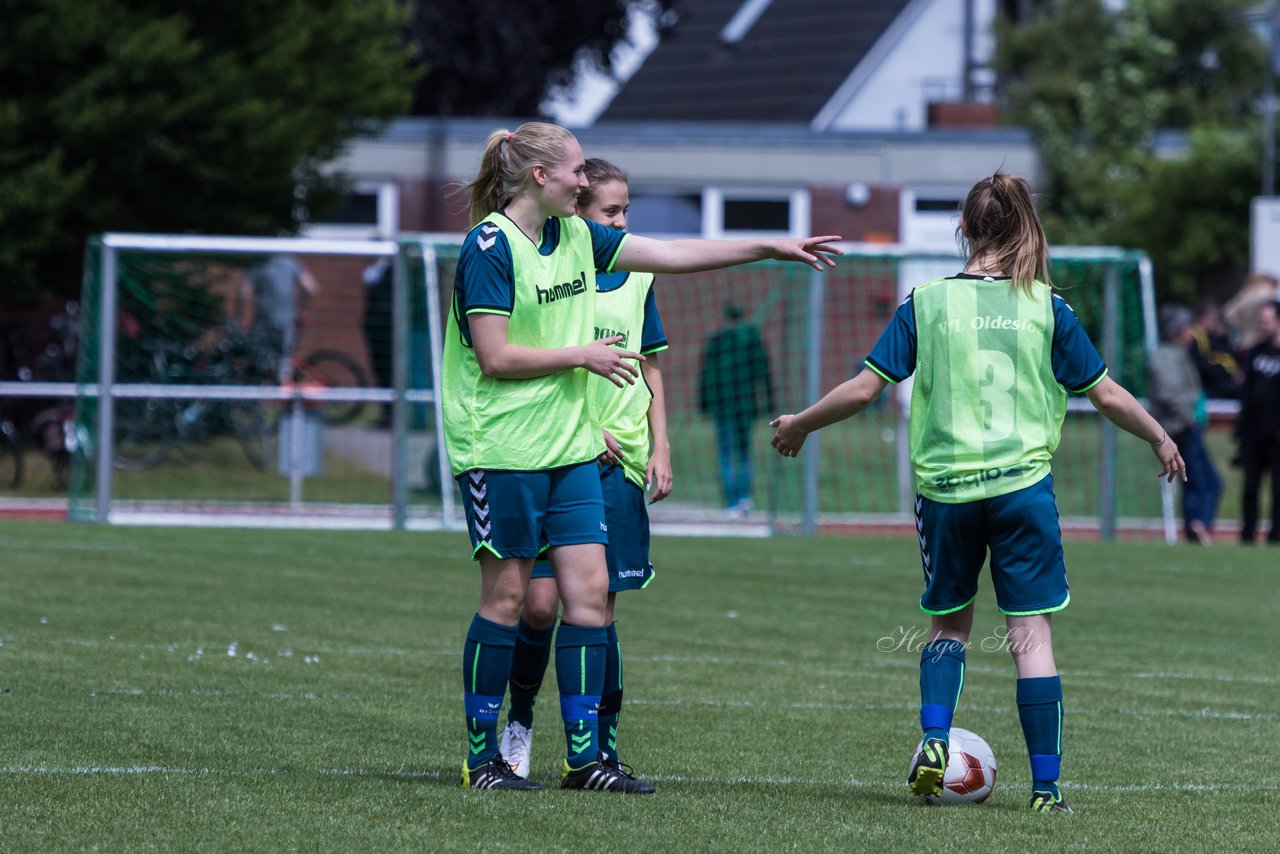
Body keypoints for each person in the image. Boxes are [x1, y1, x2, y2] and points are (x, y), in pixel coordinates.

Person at [768, 172, 1185, 814]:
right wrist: (1158, 435)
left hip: (946, 491)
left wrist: (798, 423)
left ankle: (936, 738)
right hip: (1022, 489)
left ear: (963, 228)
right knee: (1031, 636)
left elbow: (861, 390)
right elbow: (1104, 393)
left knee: (949, 626)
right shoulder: (1046, 305)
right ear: (1023, 229)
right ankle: (1046, 791)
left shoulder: (928, 301)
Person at [445, 121, 840, 791]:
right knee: (510, 597)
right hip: (502, 449)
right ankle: (483, 760)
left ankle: (584, 760)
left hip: (568, 449)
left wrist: (769, 246)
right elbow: (495, 355)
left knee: (591, 595)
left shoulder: (576, 235)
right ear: (540, 176)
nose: (583, 180)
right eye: (574, 171)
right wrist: (582, 355)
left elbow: (675, 252)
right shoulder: (489, 245)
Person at [498, 158, 671, 792]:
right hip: (556, 455)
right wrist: (578, 429)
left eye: (627, 211)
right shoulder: (553, 277)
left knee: (596, 607)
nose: (623, 223)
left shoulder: (637, 277)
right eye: (611, 212)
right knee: (539, 606)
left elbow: (651, 366)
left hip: (618, 465)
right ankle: (518, 722)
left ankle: (599, 748)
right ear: (577, 212)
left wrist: (661, 445)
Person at [1149, 304, 1222, 544]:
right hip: (1181, 429)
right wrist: (1188, 419)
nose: (1192, 332)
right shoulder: (1164, 357)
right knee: (1200, 481)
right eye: (1188, 327)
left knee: (1204, 481)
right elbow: (1169, 393)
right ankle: (1197, 525)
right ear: (1178, 330)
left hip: (1189, 426)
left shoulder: (1185, 354)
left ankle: (1197, 526)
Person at [698, 303, 773, 513]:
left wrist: (703, 403)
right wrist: (768, 401)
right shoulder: (751, 339)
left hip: (724, 405)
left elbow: (706, 375)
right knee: (743, 452)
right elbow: (764, 372)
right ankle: (744, 497)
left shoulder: (720, 341)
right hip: (745, 406)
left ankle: (732, 501)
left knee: (727, 453)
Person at [1236, 300, 1280, 544]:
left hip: (1277, 435)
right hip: (1254, 434)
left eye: (1267, 319)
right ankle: (1247, 535)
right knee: (1250, 487)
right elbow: (1247, 395)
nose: (1262, 324)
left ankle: (1276, 536)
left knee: (1278, 489)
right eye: (1260, 320)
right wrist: (1240, 432)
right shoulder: (1255, 353)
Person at [235, 254, 319, 380]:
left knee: (257, 361)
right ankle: (283, 391)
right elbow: (311, 288)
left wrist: (239, 316)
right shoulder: (291, 263)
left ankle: (256, 393)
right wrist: (303, 309)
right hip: (287, 322)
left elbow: (244, 293)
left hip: (263, 323)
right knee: (284, 362)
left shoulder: (257, 264)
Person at [1188, 299, 1242, 401]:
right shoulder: (1196, 336)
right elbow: (1204, 363)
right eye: (1212, 318)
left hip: (1222, 385)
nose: (1214, 322)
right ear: (1202, 318)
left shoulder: (1212, 337)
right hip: (1212, 389)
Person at [1222, 272, 1279, 352]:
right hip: (1259, 342)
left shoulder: (1246, 293)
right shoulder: (1267, 295)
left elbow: (1227, 313)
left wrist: (1241, 324)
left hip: (1243, 341)